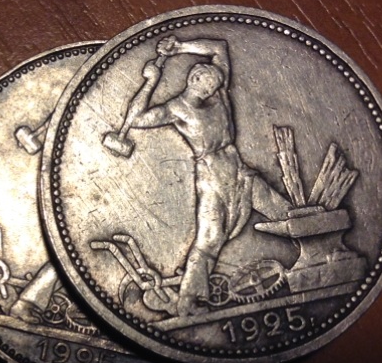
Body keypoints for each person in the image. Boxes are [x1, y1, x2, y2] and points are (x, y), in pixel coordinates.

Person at [124, 36, 290, 316]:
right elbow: (136, 119)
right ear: (194, 80)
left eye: (215, 84)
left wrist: (179, 47)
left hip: (240, 172)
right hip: (213, 179)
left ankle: (320, 259)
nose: (214, 88)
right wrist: (150, 82)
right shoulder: (177, 109)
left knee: (284, 213)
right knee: (209, 239)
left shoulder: (220, 93)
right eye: (208, 84)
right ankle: (188, 301)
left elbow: (219, 47)